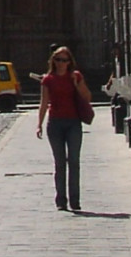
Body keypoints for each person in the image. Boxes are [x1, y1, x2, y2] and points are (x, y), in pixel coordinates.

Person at [33, 47, 92, 213]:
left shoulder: (76, 76)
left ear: (69, 62)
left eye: (64, 60)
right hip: (55, 124)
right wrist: (39, 124)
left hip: (73, 123)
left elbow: (87, 97)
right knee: (60, 163)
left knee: (74, 162)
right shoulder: (48, 80)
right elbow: (44, 102)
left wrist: (75, 84)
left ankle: (75, 200)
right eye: (58, 60)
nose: (61, 63)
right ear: (53, 61)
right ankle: (61, 200)